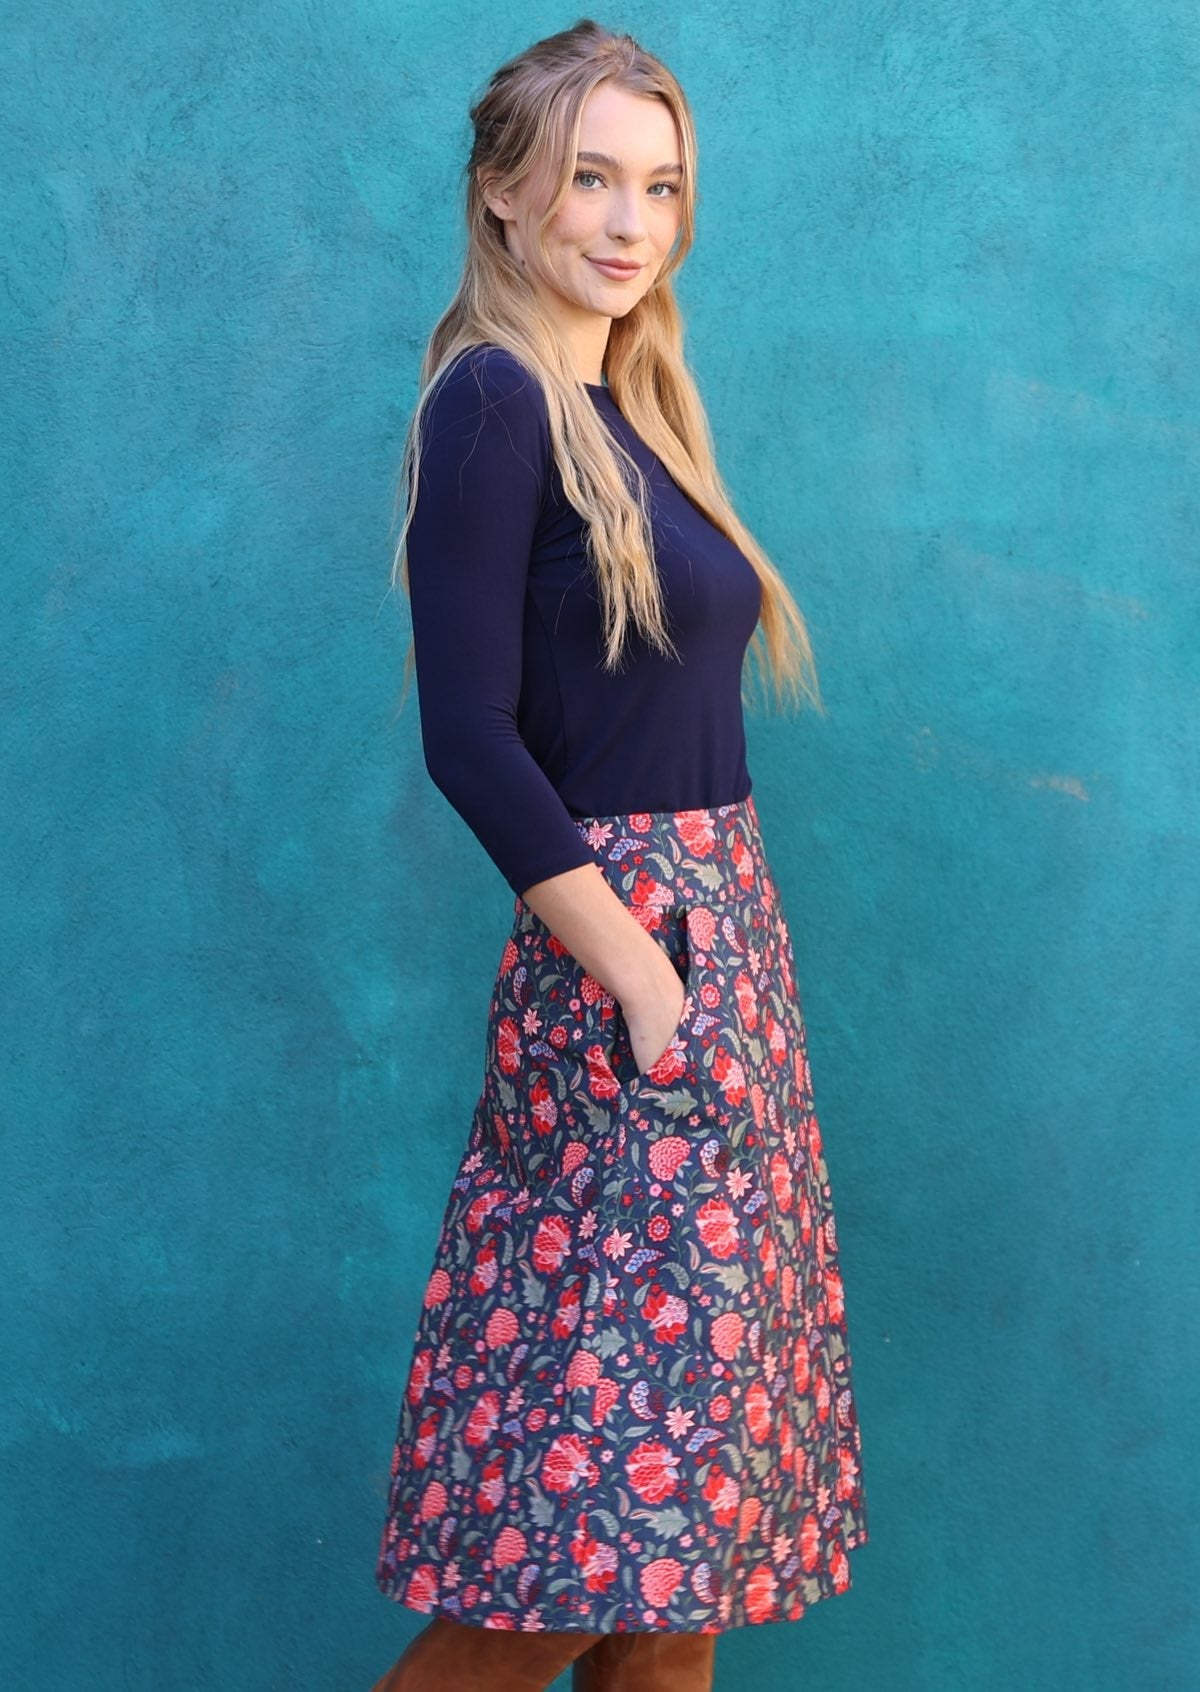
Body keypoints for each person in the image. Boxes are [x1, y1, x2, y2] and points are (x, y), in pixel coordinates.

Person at [370, 18, 868, 1691]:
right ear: (506, 196)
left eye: (658, 185)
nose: (627, 219)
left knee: (680, 1566)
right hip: (630, 973)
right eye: (589, 176)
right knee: (589, 1544)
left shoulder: (627, 408)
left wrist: (706, 971)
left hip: (722, 955)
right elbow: (469, 735)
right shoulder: (497, 401)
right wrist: (647, 973)